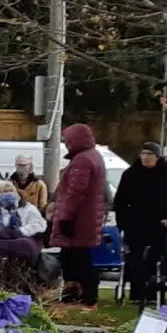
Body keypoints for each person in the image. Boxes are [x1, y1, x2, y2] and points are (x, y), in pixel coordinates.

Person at [49, 122, 108, 306]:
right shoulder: (94, 156)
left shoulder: (82, 160)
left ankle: (85, 298)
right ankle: (80, 297)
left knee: (76, 262)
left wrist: (65, 217)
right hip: (85, 219)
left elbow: (74, 193)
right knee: (77, 259)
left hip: (77, 220)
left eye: (67, 140)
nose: (66, 144)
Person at [115, 142, 167, 304]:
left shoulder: (166, 174)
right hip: (136, 225)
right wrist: (123, 223)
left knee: (155, 259)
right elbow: (120, 201)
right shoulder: (130, 174)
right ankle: (137, 293)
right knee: (135, 259)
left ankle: (153, 292)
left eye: (150, 154)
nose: (146, 157)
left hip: (160, 225)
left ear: (157, 157)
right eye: (143, 154)